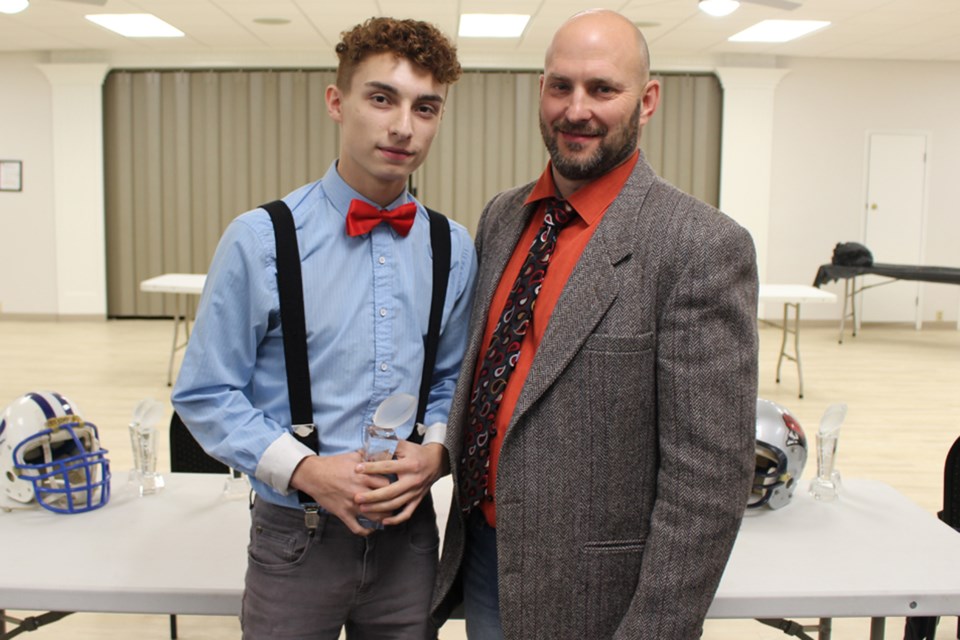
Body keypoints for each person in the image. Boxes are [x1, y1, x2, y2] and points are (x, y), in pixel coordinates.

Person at [428, 9, 759, 639]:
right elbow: (490, 381)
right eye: (560, 86)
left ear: (647, 99)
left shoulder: (699, 246)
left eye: (603, 89)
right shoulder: (504, 216)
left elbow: (709, 482)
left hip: (597, 596)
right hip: (483, 556)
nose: (576, 109)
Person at [172, 17, 477, 640]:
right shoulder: (261, 239)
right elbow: (205, 393)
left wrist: (437, 451)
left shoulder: (453, 247)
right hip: (296, 540)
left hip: (410, 539)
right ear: (337, 103)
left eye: (426, 107)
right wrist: (306, 470)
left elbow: (452, 377)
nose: (403, 126)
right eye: (381, 98)